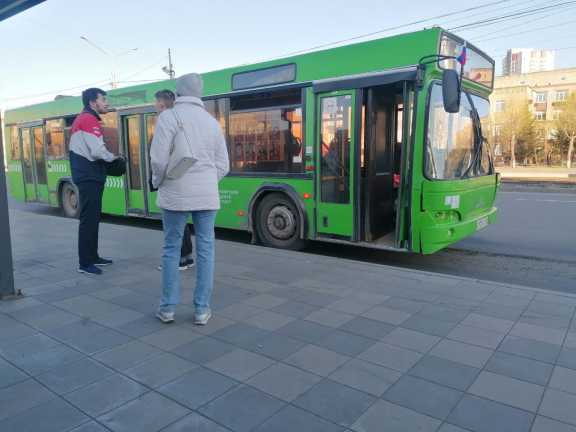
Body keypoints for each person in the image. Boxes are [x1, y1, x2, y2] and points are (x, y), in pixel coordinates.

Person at [150, 73, 229, 325]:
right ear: (199, 92)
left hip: (175, 193)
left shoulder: (168, 117)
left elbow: (158, 160)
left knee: (172, 248)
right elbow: (223, 165)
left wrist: (158, 181)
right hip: (207, 196)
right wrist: (205, 181)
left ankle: (168, 309)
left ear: (178, 92)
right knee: (206, 250)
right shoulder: (212, 122)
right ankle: (202, 310)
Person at [69, 88, 120, 275]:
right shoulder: (88, 119)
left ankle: (93, 256)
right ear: (92, 102)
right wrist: (113, 158)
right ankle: (85, 263)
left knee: (93, 218)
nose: (105, 102)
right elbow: (98, 151)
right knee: (88, 219)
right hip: (89, 176)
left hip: (89, 175)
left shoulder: (85, 118)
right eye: (103, 99)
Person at [153, 90, 194, 271]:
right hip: (185, 179)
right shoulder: (184, 120)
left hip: (170, 182)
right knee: (181, 222)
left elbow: (158, 160)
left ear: (162, 104)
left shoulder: (165, 120)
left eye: (156, 103)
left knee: (171, 227)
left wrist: (156, 180)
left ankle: (176, 261)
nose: (156, 107)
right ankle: (187, 257)